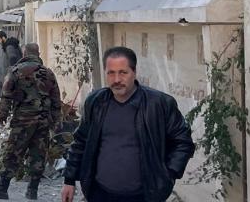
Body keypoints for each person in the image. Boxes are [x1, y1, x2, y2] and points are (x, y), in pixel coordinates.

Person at [60, 47, 195, 202]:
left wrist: (168, 175)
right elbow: (81, 142)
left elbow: (183, 142)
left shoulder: (159, 104)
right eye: (111, 73)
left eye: (123, 72)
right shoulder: (96, 102)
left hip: (143, 196)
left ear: (134, 72)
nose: (117, 79)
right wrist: (69, 180)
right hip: (99, 193)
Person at [0, 43, 61, 201]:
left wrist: (2, 114)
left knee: (13, 153)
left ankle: (2, 189)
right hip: (43, 121)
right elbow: (56, 99)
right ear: (38, 53)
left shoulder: (15, 71)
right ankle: (32, 190)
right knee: (38, 154)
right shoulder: (48, 73)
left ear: (24, 53)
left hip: (23, 121)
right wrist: (54, 120)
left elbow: (6, 95)